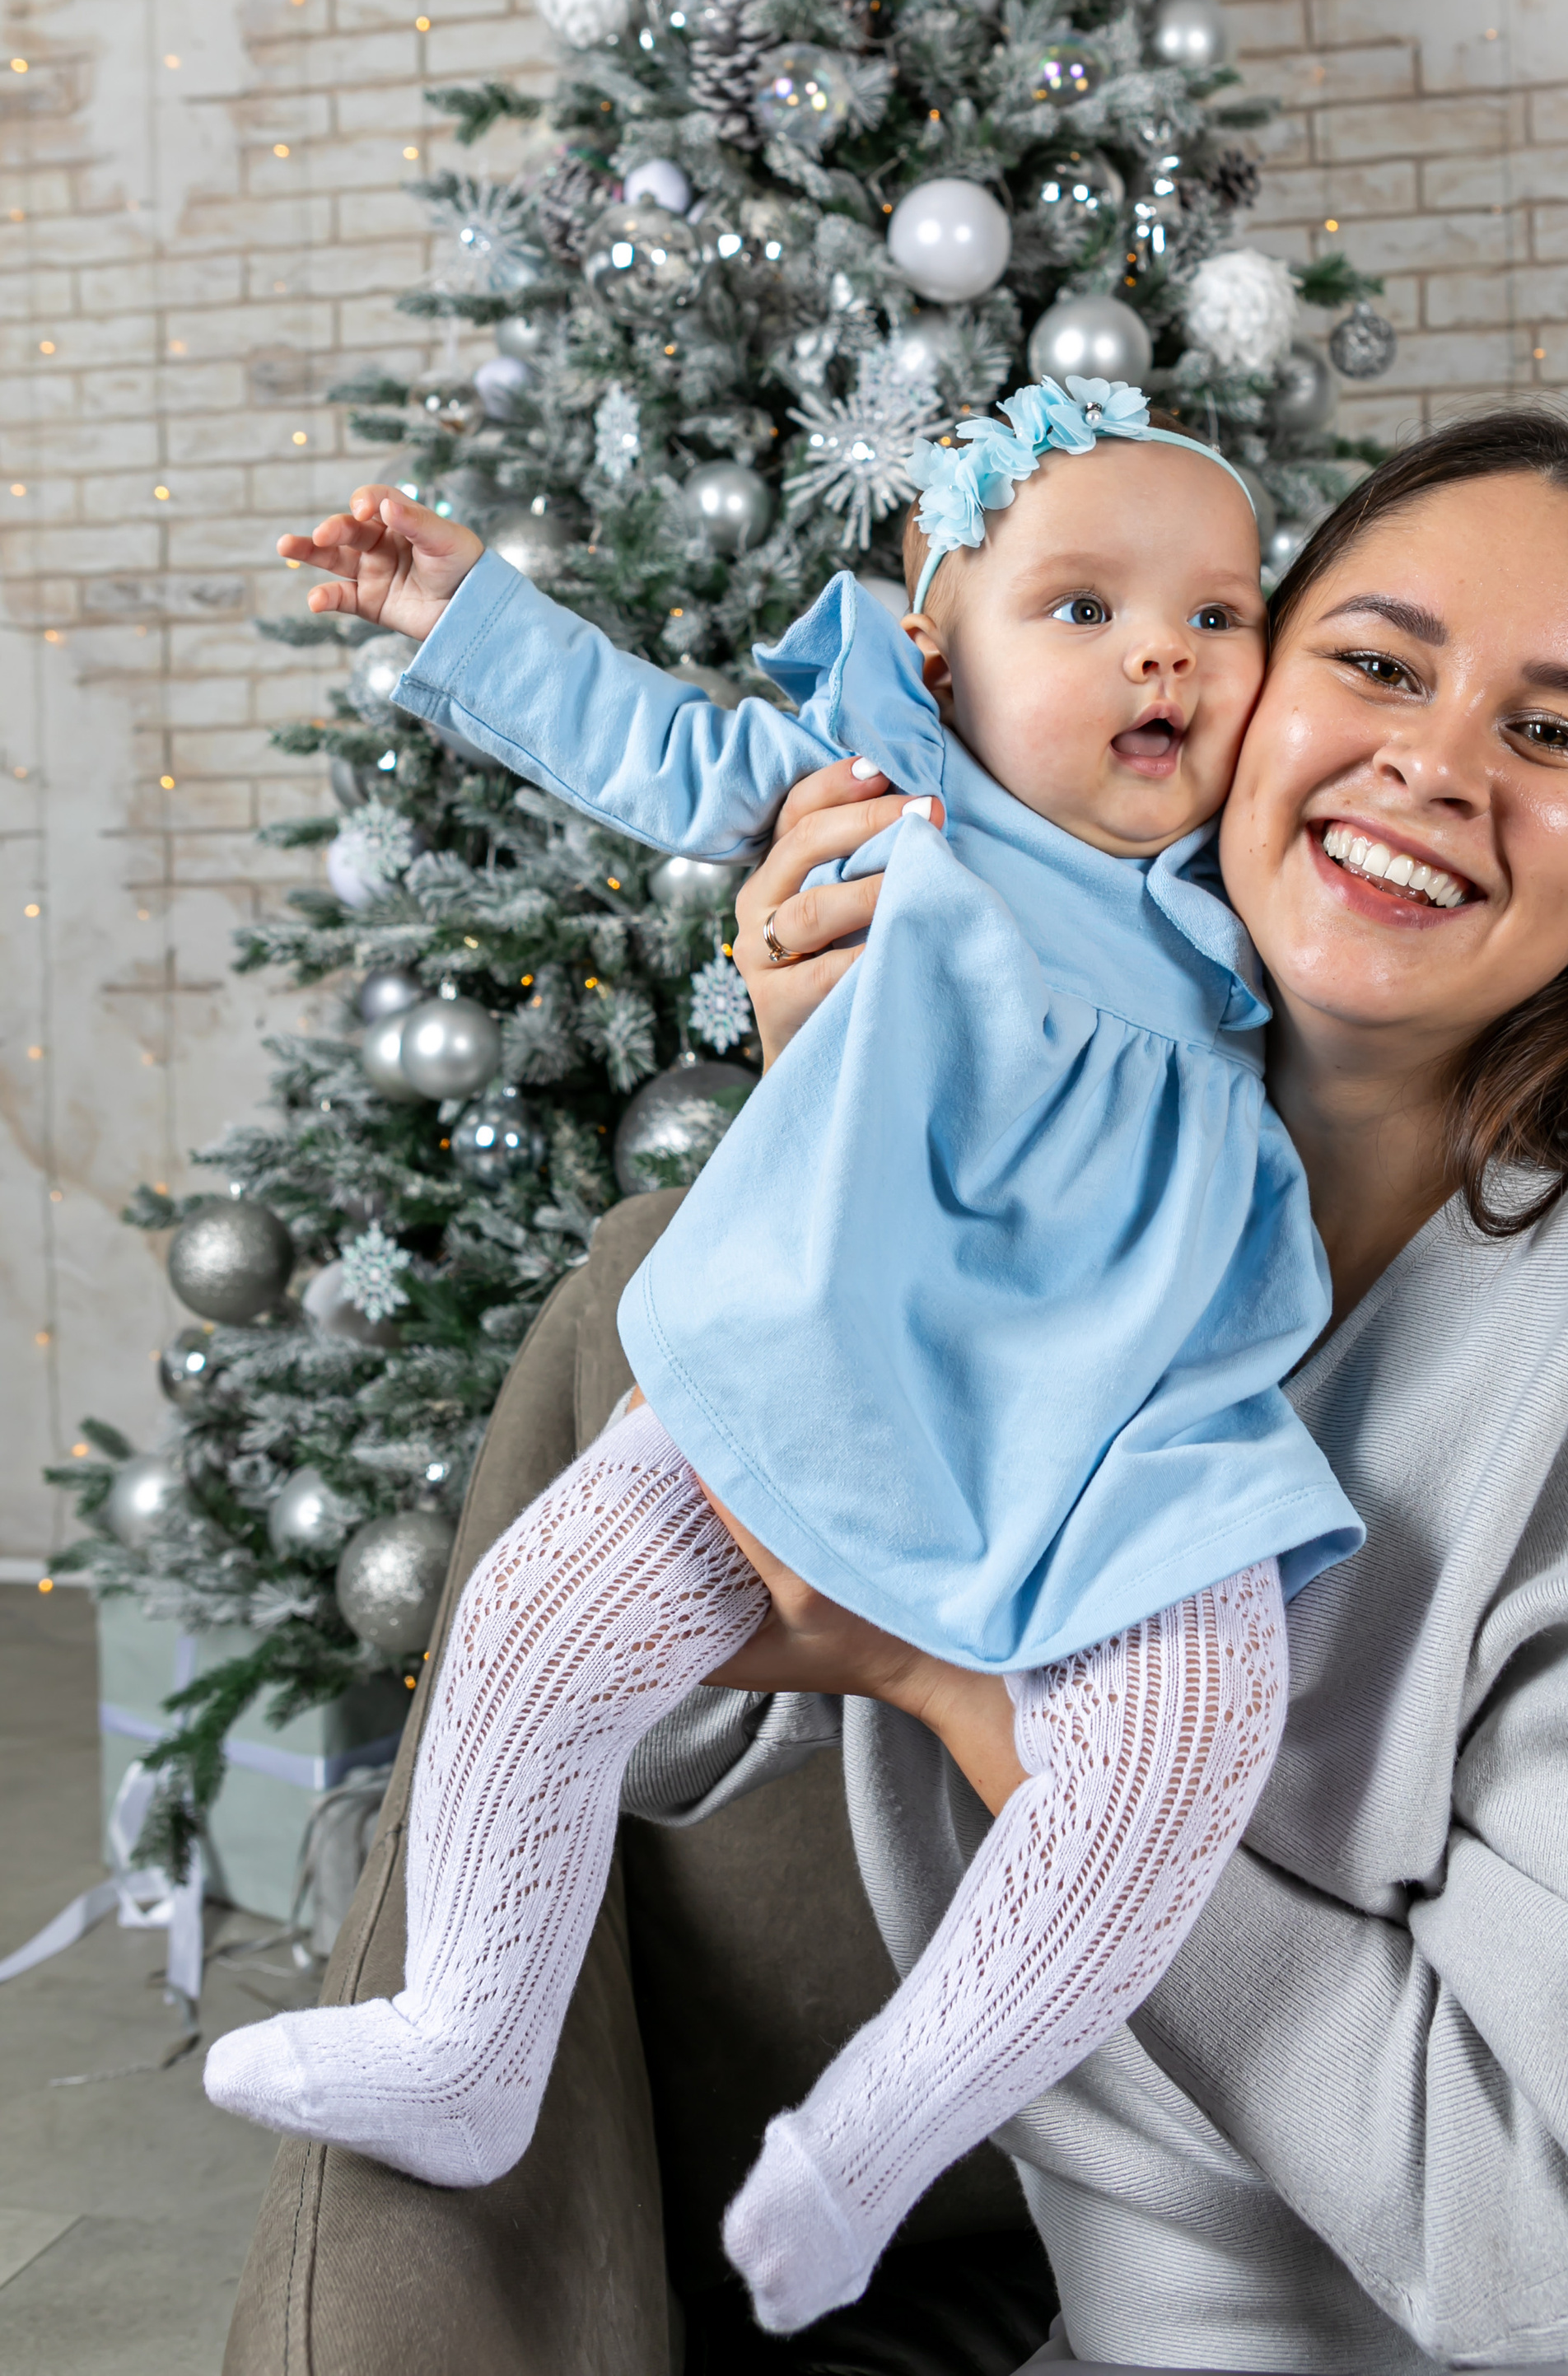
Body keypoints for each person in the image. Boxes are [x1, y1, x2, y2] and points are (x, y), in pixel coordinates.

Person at [635, 406, 1568, 2374]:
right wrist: (850, 1136)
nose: (1431, 760)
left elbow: (1542, 2249)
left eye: (1558, 731)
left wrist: (969, 1699)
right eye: (1375, 664)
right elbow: (658, 1745)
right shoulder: (1079, 1229)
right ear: (1214, 704)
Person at [203, 376, 1364, 2333]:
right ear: (933, 657)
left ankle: (883, 2130)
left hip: (1125, 1433)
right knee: (537, 1618)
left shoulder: (1248, 890)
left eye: (1217, 614)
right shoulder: (895, 804)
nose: (1161, 649)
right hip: (829, 1349)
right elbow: (663, 746)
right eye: (1078, 608)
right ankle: (469, 2032)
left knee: (1182, 1734)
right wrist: (466, 608)